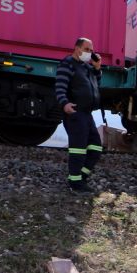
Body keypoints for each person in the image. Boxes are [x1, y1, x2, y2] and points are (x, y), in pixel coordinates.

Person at [54, 37, 102, 192]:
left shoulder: (86, 68)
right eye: (87, 50)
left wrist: (97, 69)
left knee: (95, 147)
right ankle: (75, 183)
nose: (89, 53)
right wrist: (65, 103)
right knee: (78, 148)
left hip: (87, 114)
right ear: (77, 48)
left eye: (91, 51)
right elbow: (60, 86)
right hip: (76, 112)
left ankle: (79, 178)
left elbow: (95, 84)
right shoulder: (67, 64)